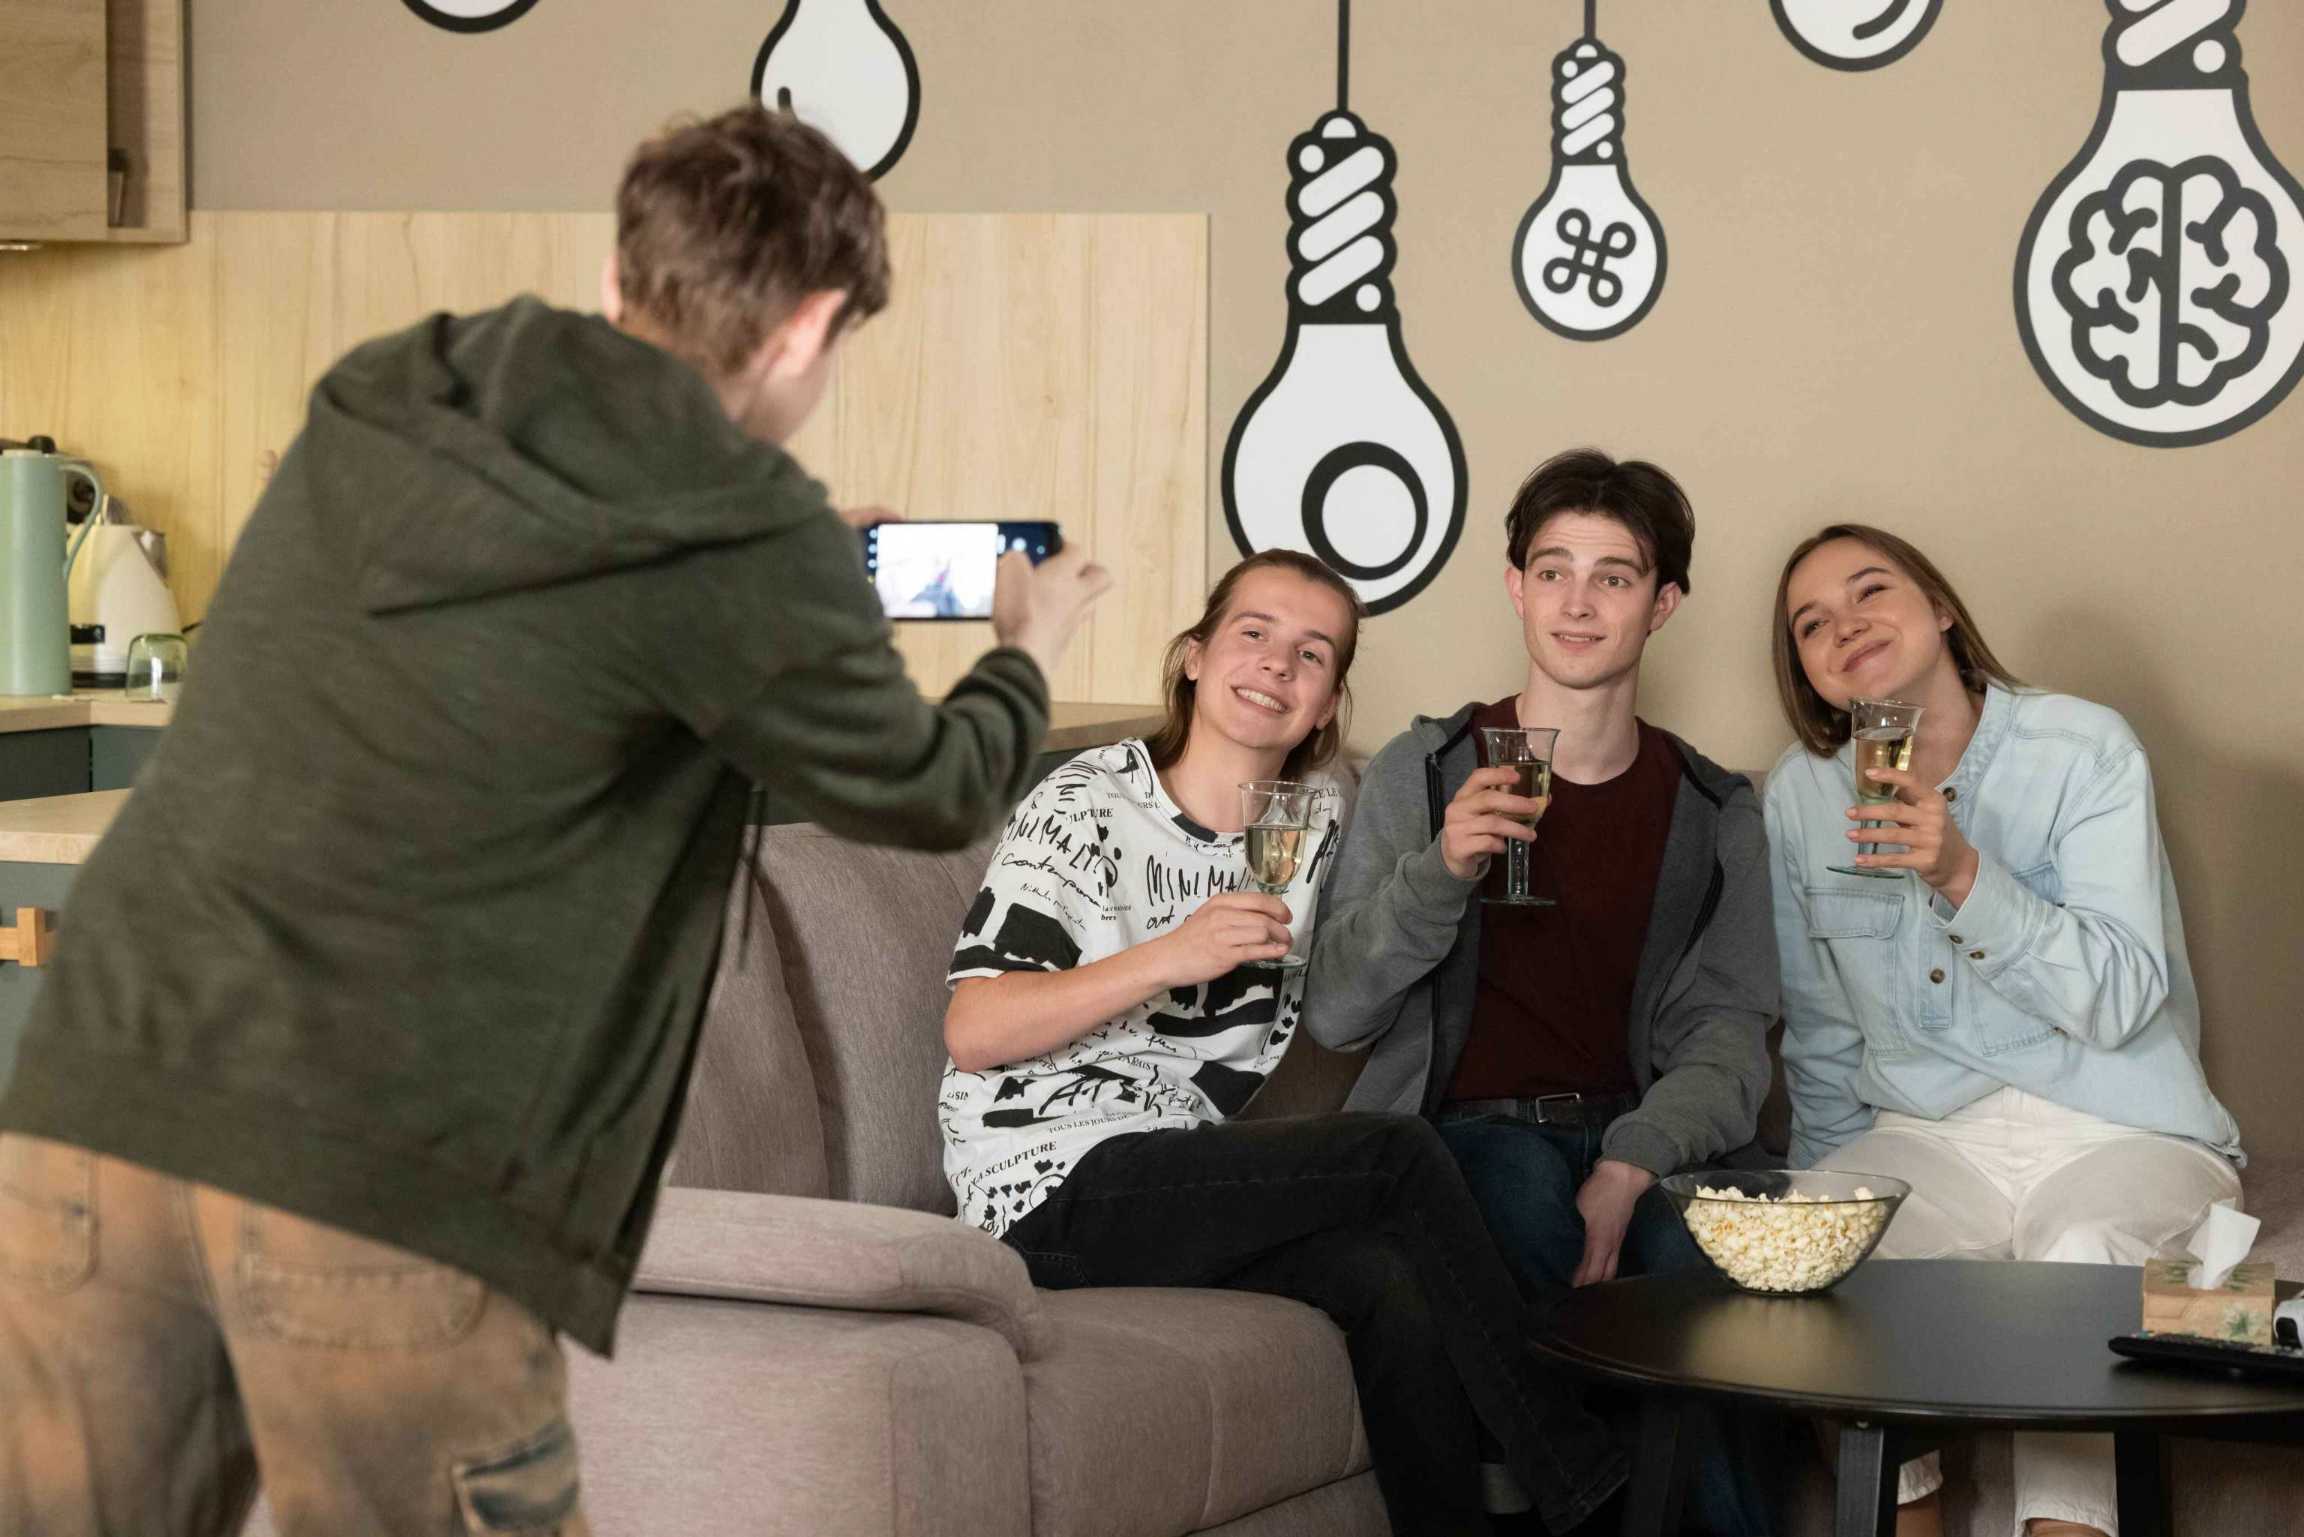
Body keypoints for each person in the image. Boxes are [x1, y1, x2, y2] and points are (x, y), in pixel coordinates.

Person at [0, 105, 1110, 1537]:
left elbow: (556, 629)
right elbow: (933, 788)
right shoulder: (743, 534)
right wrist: (1027, 644)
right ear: (807, 329)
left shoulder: (399, 383)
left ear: (619, 272)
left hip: (101, 1094)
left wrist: (794, 581)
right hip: (381, 1164)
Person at [938, 549, 1628, 1537]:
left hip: (1174, 1169)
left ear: (1326, 704)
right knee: (1396, 1154)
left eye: (1311, 653)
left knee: (1386, 1277)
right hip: (1045, 1185)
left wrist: (1451, 860)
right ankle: (1586, 1482)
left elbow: (1365, 980)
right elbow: (974, 1029)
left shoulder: (1312, 825)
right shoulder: (1087, 799)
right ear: (1194, 656)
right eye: (1253, 632)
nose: (1275, 663)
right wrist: (1168, 955)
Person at [1304, 447, 1781, 1535]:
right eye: (1554, 570)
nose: (1578, 602)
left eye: (1614, 576)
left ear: (1663, 604)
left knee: (1705, 1267)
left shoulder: (1712, 808)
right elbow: (1336, 1010)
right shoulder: (1427, 768)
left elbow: (1731, 1035)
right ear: (1516, 587)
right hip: (1466, 1135)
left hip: (1644, 1137)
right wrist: (1441, 869)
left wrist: (1633, 1160)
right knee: (1520, 1198)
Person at [1766, 524, 2242, 1537]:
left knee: (2080, 1257)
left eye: (1871, 591)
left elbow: (2123, 996)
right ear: (1808, 673)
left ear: (1941, 608)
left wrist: (1962, 873)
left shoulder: (2084, 747)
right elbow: (1821, 1034)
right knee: (1818, 1244)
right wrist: (1821, 1199)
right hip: (1929, 1135)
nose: (1845, 625)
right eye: (1812, 623)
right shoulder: (1800, 794)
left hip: (2119, 1125)